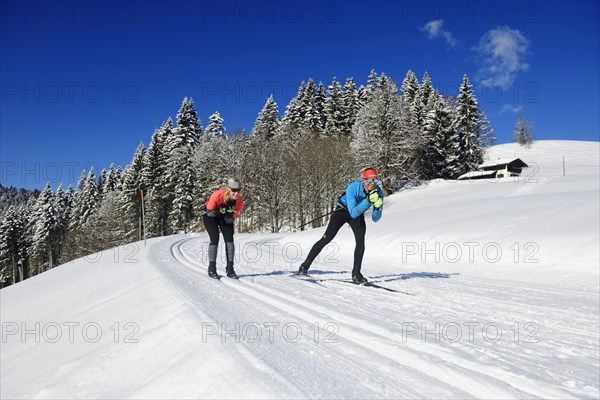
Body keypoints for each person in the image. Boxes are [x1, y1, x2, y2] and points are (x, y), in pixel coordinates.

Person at [297, 168, 384, 284]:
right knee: (327, 238)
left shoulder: (378, 192)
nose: (372, 183)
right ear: (363, 180)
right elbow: (352, 212)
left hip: (357, 214)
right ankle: (304, 266)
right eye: (369, 180)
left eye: (375, 180)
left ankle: (356, 274)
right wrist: (368, 201)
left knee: (360, 241)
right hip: (342, 211)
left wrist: (378, 207)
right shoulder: (353, 187)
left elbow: (375, 219)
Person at [203, 178, 245, 279]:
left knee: (230, 241)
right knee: (215, 239)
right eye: (234, 190)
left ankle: (230, 269)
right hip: (211, 217)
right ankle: (211, 268)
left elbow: (236, 212)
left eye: (238, 191)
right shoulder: (218, 195)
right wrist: (217, 213)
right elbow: (209, 211)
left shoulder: (239, 201)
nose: (236, 193)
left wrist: (231, 217)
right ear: (228, 189)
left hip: (225, 219)